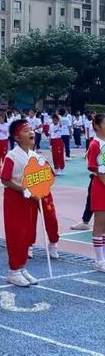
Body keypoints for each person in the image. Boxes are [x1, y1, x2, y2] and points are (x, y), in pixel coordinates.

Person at [1, 120, 39, 287]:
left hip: (30, 200)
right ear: (16, 137)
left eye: (31, 129)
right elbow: (5, 179)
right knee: (16, 234)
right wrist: (22, 190)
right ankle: (13, 270)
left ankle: (22, 266)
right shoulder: (12, 156)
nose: (31, 132)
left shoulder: (34, 156)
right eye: (25, 130)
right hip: (15, 199)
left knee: (27, 233)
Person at [86, 113, 105, 271]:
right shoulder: (95, 144)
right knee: (100, 222)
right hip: (100, 186)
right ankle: (99, 260)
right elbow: (97, 170)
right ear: (97, 126)